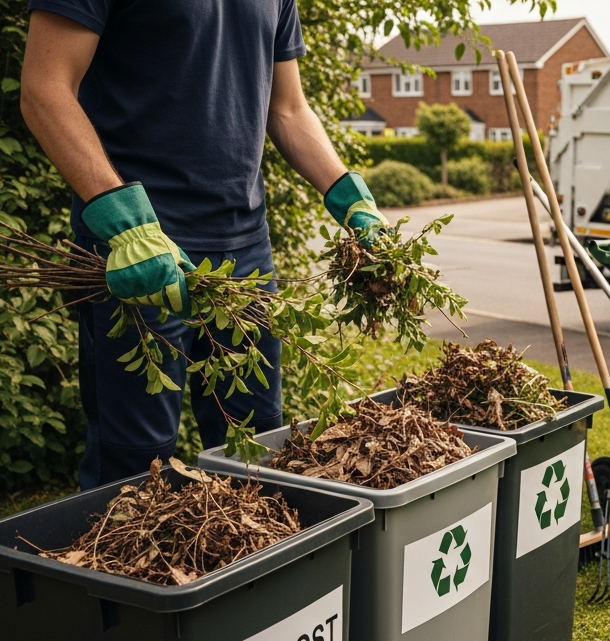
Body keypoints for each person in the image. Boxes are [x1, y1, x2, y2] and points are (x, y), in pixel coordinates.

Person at [20, 0, 387, 489]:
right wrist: (123, 221)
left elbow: (288, 108)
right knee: (136, 466)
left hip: (246, 251)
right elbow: (45, 89)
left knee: (255, 446)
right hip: (138, 248)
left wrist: (347, 194)